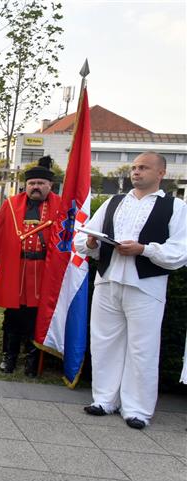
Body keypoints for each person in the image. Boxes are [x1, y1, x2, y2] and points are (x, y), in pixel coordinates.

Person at [75, 151, 187, 429]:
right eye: (135, 167)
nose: (136, 172)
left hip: (146, 284)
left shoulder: (175, 207)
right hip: (109, 278)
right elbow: (85, 235)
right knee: (104, 340)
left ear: (161, 173)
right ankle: (104, 399)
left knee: (143, 347)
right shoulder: (114, 202)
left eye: (144, 168)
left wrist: (144, 249)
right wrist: (91, 244)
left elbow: (180, 251)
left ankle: (137, 408)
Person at [0, 156, 61, 377]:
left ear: (50, 185)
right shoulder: (11, 205)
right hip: (16, 267)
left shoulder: (61, 206)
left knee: (37, 315)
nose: (36, 187)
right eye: (32, 183)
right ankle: (8, 357)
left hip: (44, 270)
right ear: (25, 185)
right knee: (13, 314)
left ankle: (33, 358)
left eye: (41, 183)